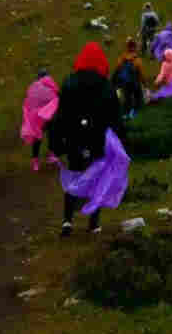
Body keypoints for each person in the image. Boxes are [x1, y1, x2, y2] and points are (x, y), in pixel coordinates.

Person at [49, 43, 129, 236]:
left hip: (74, 139)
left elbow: (59, 116)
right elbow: (116, 117)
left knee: (74, 176)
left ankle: (67, 221)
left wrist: (56, 144)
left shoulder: (69, 83)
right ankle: (93, 224)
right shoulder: (106, 86)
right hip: (98, 140)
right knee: (98, 179)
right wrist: (121, 140)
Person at [21, 70, 60, 171]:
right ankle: (51, 155)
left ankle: (35, 161)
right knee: (52, 134)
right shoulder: (50, 84)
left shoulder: (32, 87)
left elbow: (28, 101)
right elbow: (57, 96)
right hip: (48, 116)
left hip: (37, 118)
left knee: (38, 138)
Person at [111, 38, 146, 119]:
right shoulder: (137, 60)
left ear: (127, 47)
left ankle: (125, 114)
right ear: (135, 47)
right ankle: (135, 112)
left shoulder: (121, 58)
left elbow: (117, 70)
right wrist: (145, 84)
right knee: (138, 98)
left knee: (127, 99)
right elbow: (141, 74)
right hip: (135, 83)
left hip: (125, 83)